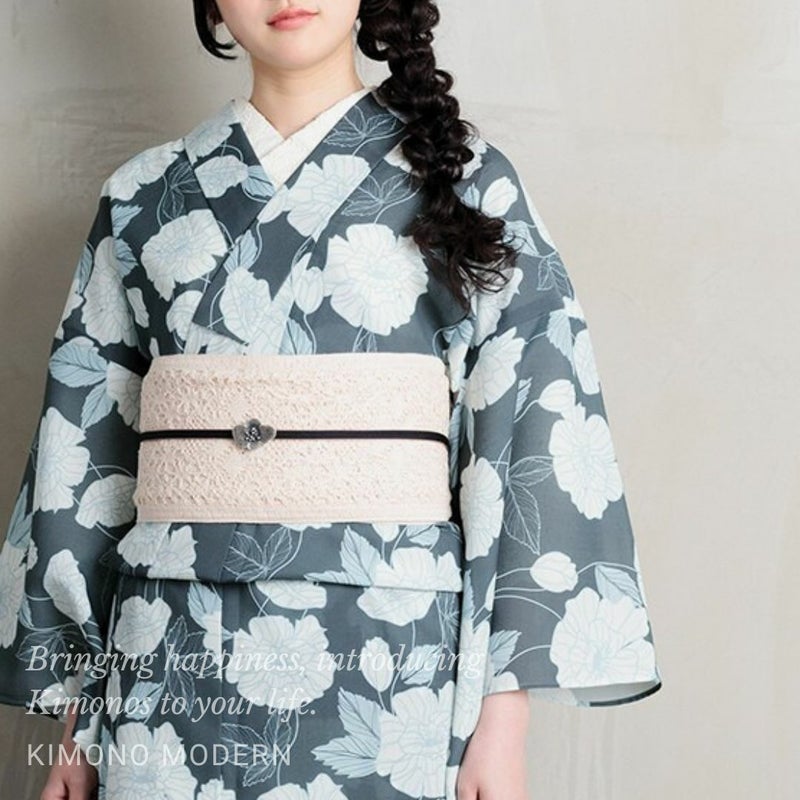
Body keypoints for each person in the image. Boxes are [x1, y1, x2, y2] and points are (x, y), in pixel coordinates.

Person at [0, 1, 663, 799]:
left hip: (393, 656)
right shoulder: (141, 197)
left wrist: (503, 720)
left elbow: (529, 431)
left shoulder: (468, 181)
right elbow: (85, 457)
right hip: (166, 653)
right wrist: (78, 724)